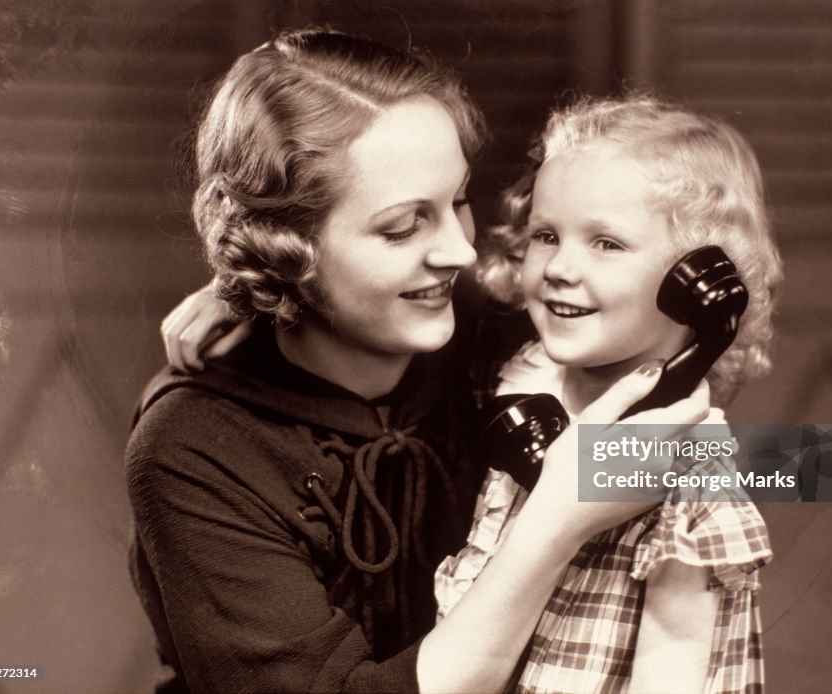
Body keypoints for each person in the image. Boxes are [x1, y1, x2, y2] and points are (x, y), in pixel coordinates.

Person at [128, 29, 708, 693]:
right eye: (404, 226)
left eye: (457, 201)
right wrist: (555, 521)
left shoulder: (492, 338)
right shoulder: (190, 447)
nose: (459, 252)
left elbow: (810, 464)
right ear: (288, 244)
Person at [432, 95, 783, 693]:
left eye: (607, 244)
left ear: (697, 285)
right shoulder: (522, 377)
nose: (560, 267)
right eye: (546, 234)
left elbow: (671, 672)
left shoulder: (687, 467)